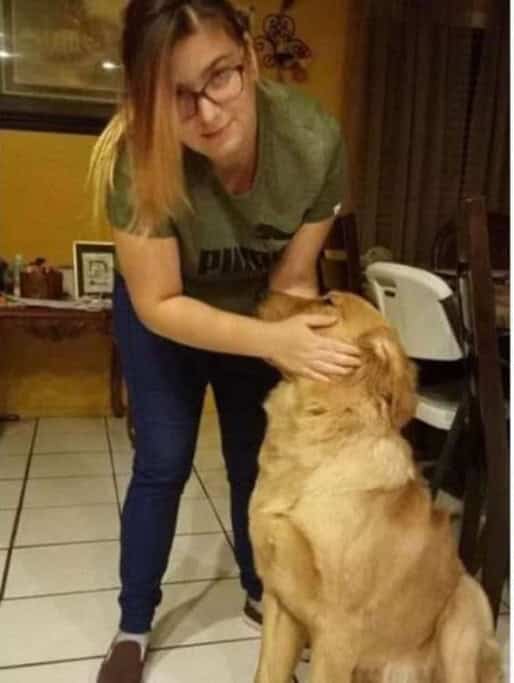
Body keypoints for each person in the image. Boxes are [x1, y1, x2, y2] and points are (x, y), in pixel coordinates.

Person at [87, 2, 360, 681]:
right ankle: (133, 623)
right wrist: (276, 339)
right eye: (178, 96)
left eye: (221, 78)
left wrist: (298, 341)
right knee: (165, 459)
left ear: (250, 54)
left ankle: (258, 587)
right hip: (165, 317)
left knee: (254, 459)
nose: (208, 113)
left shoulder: (313, 141)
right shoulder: (136, 158)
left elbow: (294, 277)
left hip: (256, 305)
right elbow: (158, 301)